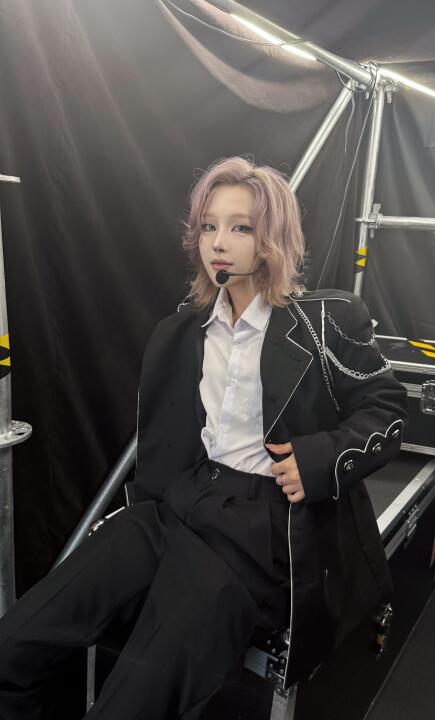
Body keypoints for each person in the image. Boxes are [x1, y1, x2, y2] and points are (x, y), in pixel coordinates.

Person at [0, 156, 408, 719]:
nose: (219, 242)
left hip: (258, 526)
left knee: (132, 704)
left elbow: (387, 410)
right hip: (181, 501)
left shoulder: (327, 321)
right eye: (210, 226)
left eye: (240, 227)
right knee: (15, 643)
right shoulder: (183, 330)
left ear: (272, 238)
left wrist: (318, 459)